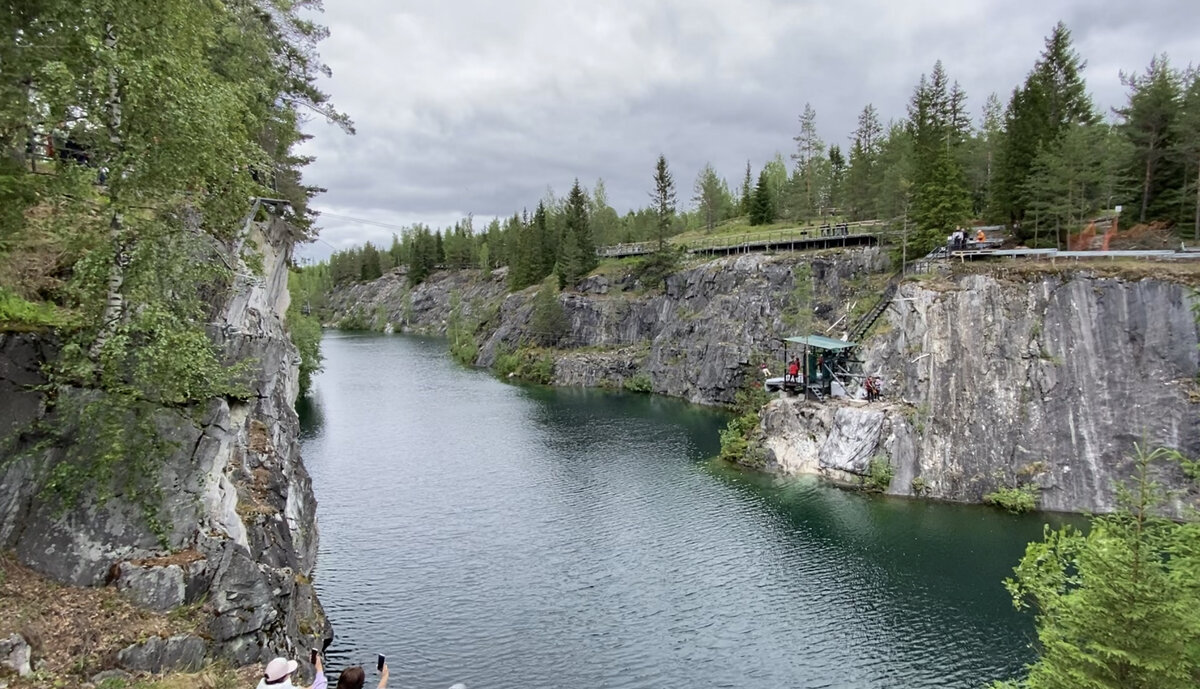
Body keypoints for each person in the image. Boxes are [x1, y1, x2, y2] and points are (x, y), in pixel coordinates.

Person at [258, 655, 326, 689]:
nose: (289, 674)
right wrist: (319, 666)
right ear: (284, 676)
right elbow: (321, 686)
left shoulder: (261, 685)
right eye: (288, 673)